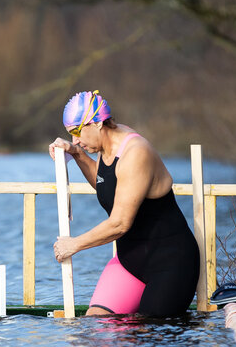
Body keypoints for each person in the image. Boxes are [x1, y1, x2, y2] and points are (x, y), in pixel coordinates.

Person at [50, 90, 200, 317]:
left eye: (78, 133)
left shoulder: (135, 153)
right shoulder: (104, 146)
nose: (75, 140)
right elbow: (105, 184)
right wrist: (77, 154)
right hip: (129, 263)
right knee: (96, 325)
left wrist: (74, 244)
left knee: (147, 336)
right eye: (71, 135)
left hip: (170, 264)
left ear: (98, 123)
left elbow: (120, 223)